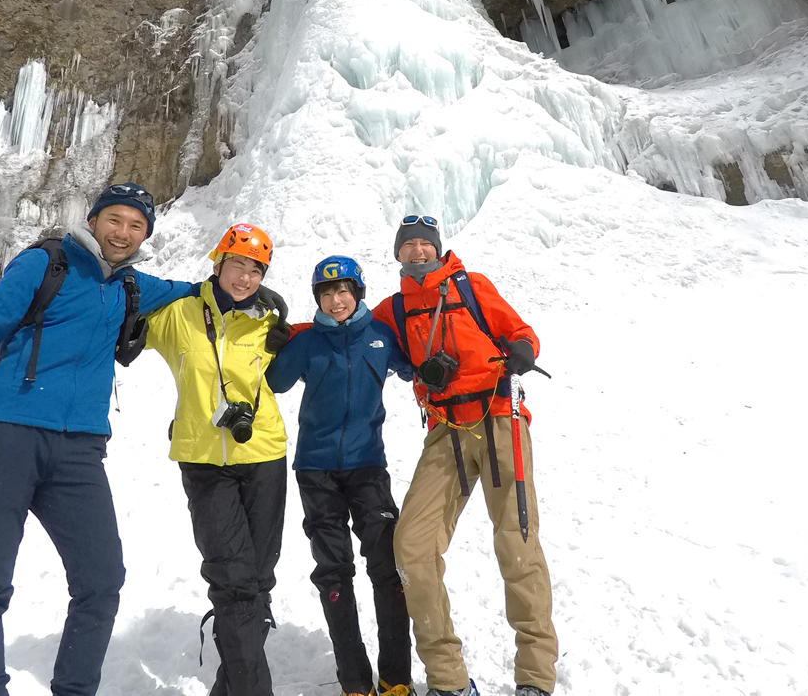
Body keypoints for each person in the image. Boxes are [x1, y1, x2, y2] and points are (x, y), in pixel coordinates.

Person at [0, 182, 198, 696]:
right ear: (95, 219)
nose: (123, 233)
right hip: (6, 437)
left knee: (102, 579)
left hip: (79, 451)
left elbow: (190, 290)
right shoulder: (47, 263)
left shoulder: (131, 287)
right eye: (115, 220)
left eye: (136, 226)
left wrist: (236, 286)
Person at [371, 216, 558, 696]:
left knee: (517, 545)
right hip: (445, 429)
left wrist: (520, 347)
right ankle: (448, 680)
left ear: (437, 249)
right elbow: (347, 330)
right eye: (408, 245)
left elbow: (520, 330)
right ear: (398, 254)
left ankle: (535, 679)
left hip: (499, 419)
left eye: (423, 245)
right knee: (411, 545)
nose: (417, 252)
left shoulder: (470, 286)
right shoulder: (393, 310)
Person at [143, 223, 292, 696]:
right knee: (232, 577)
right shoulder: (179, 315)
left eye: (255, 270)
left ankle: (231, 686)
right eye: (237, 265)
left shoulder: (269, 322)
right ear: (218, 264)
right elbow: (119, 318)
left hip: (264, 454)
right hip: (204, 461)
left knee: (258, 577)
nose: (244, 278)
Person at [266, 256, 415, 696]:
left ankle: (395, 677)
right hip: (316, 472)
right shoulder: (307, 342)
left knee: (387, 568)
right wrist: (278, 340)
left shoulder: (381, 337)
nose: (336, 300)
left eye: (343, 290)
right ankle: (354, 680)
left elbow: (413, 366)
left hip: (368, 466)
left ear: (358, 292)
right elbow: (272, 381)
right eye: (326, 293)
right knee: (334, 572)